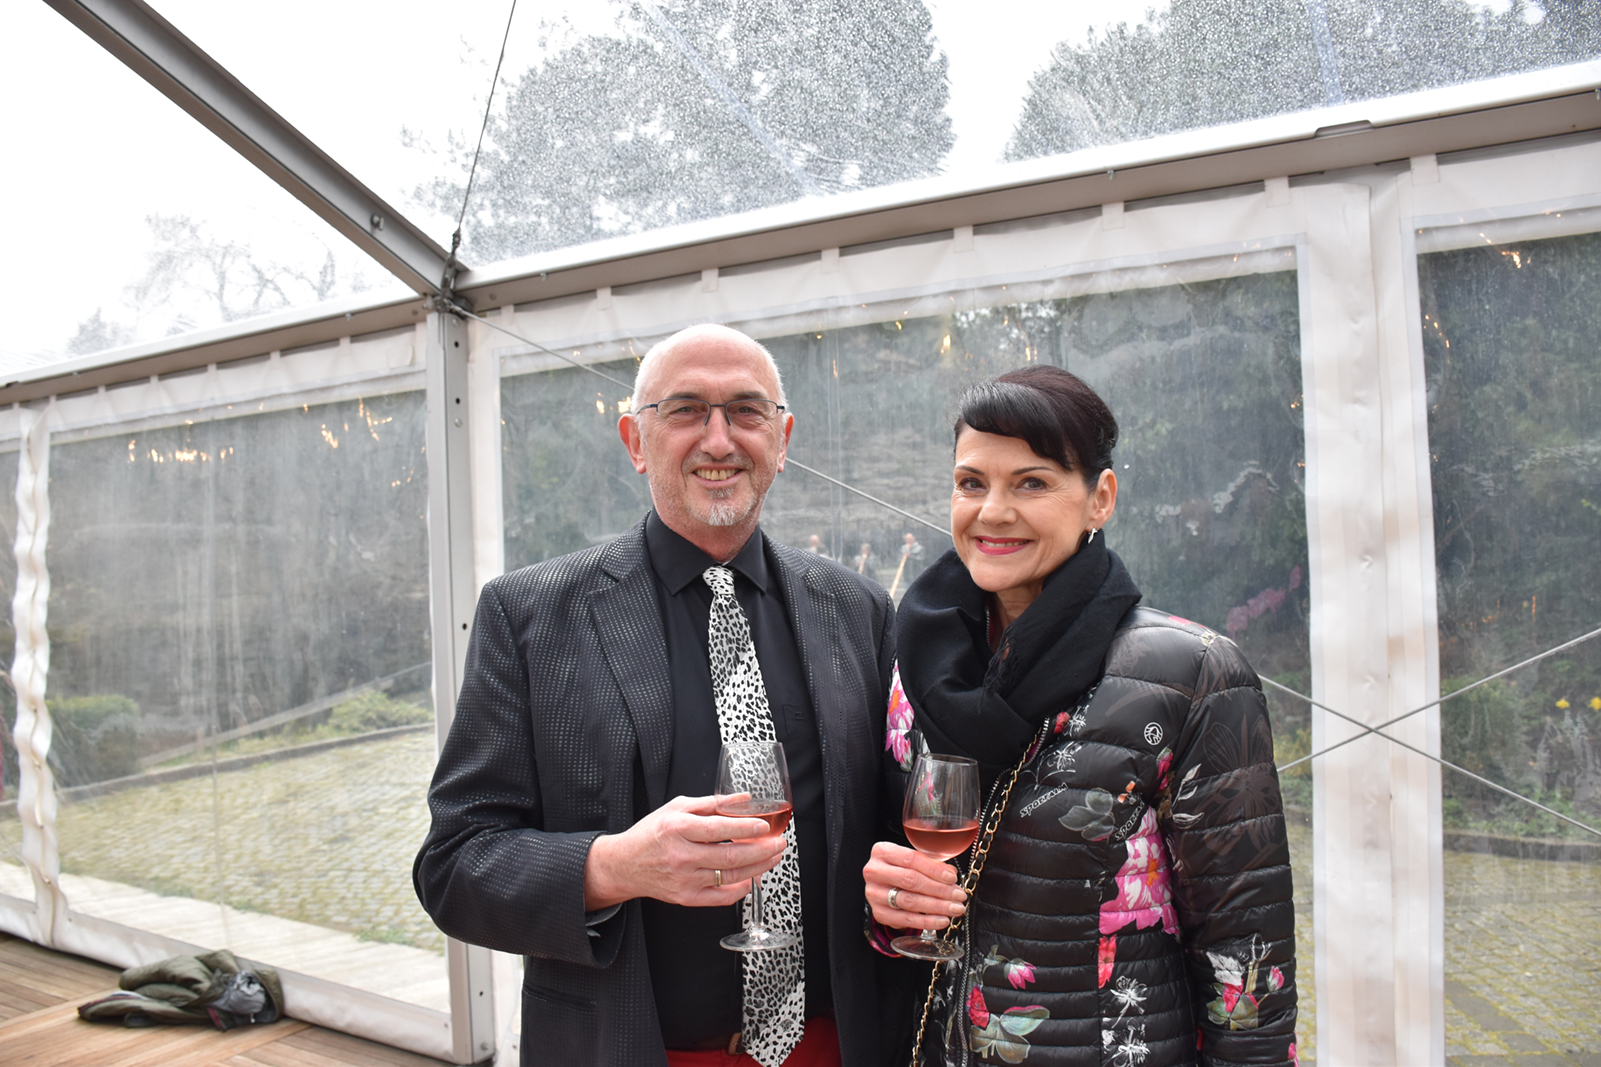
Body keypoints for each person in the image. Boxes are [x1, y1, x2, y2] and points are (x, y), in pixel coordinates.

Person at [415, 324, 918, 1067]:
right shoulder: (529, 616)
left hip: (835, 1045)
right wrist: (613, 865)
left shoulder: (858, 608)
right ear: (634, 439)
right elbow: (454, 865)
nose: (718, 440)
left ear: (782, 438)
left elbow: (891, 823)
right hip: (627, 1048)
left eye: (745, 412)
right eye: (684, 410)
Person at [863, 366, 1298, 1066]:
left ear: (1100, 498)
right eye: (971, 482)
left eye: (1030, 482)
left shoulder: (1189, 673)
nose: (992, 511)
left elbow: (1245, 962)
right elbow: (901, 880)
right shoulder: (915, 667)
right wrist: (886, 908)